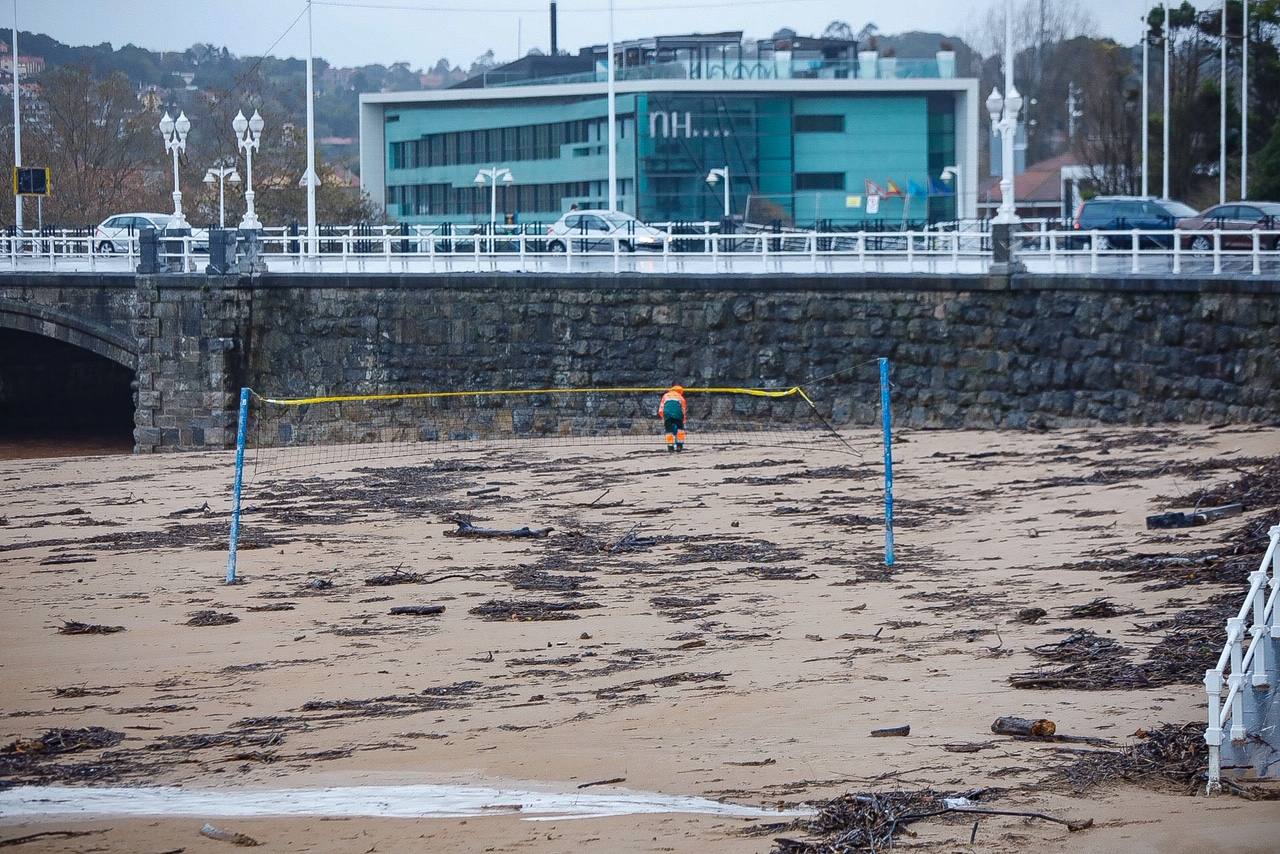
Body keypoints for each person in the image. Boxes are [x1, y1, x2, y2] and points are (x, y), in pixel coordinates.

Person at [657, 385, 687, 452]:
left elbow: (661, 409)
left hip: (667, 415)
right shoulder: (681, 398)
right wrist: (683, 419)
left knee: (669, 431)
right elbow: (683, 409)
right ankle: (679, 446)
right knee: (680, 430)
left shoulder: (665, 396)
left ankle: (670, 447)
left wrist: (664, 417)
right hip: (678, 415)